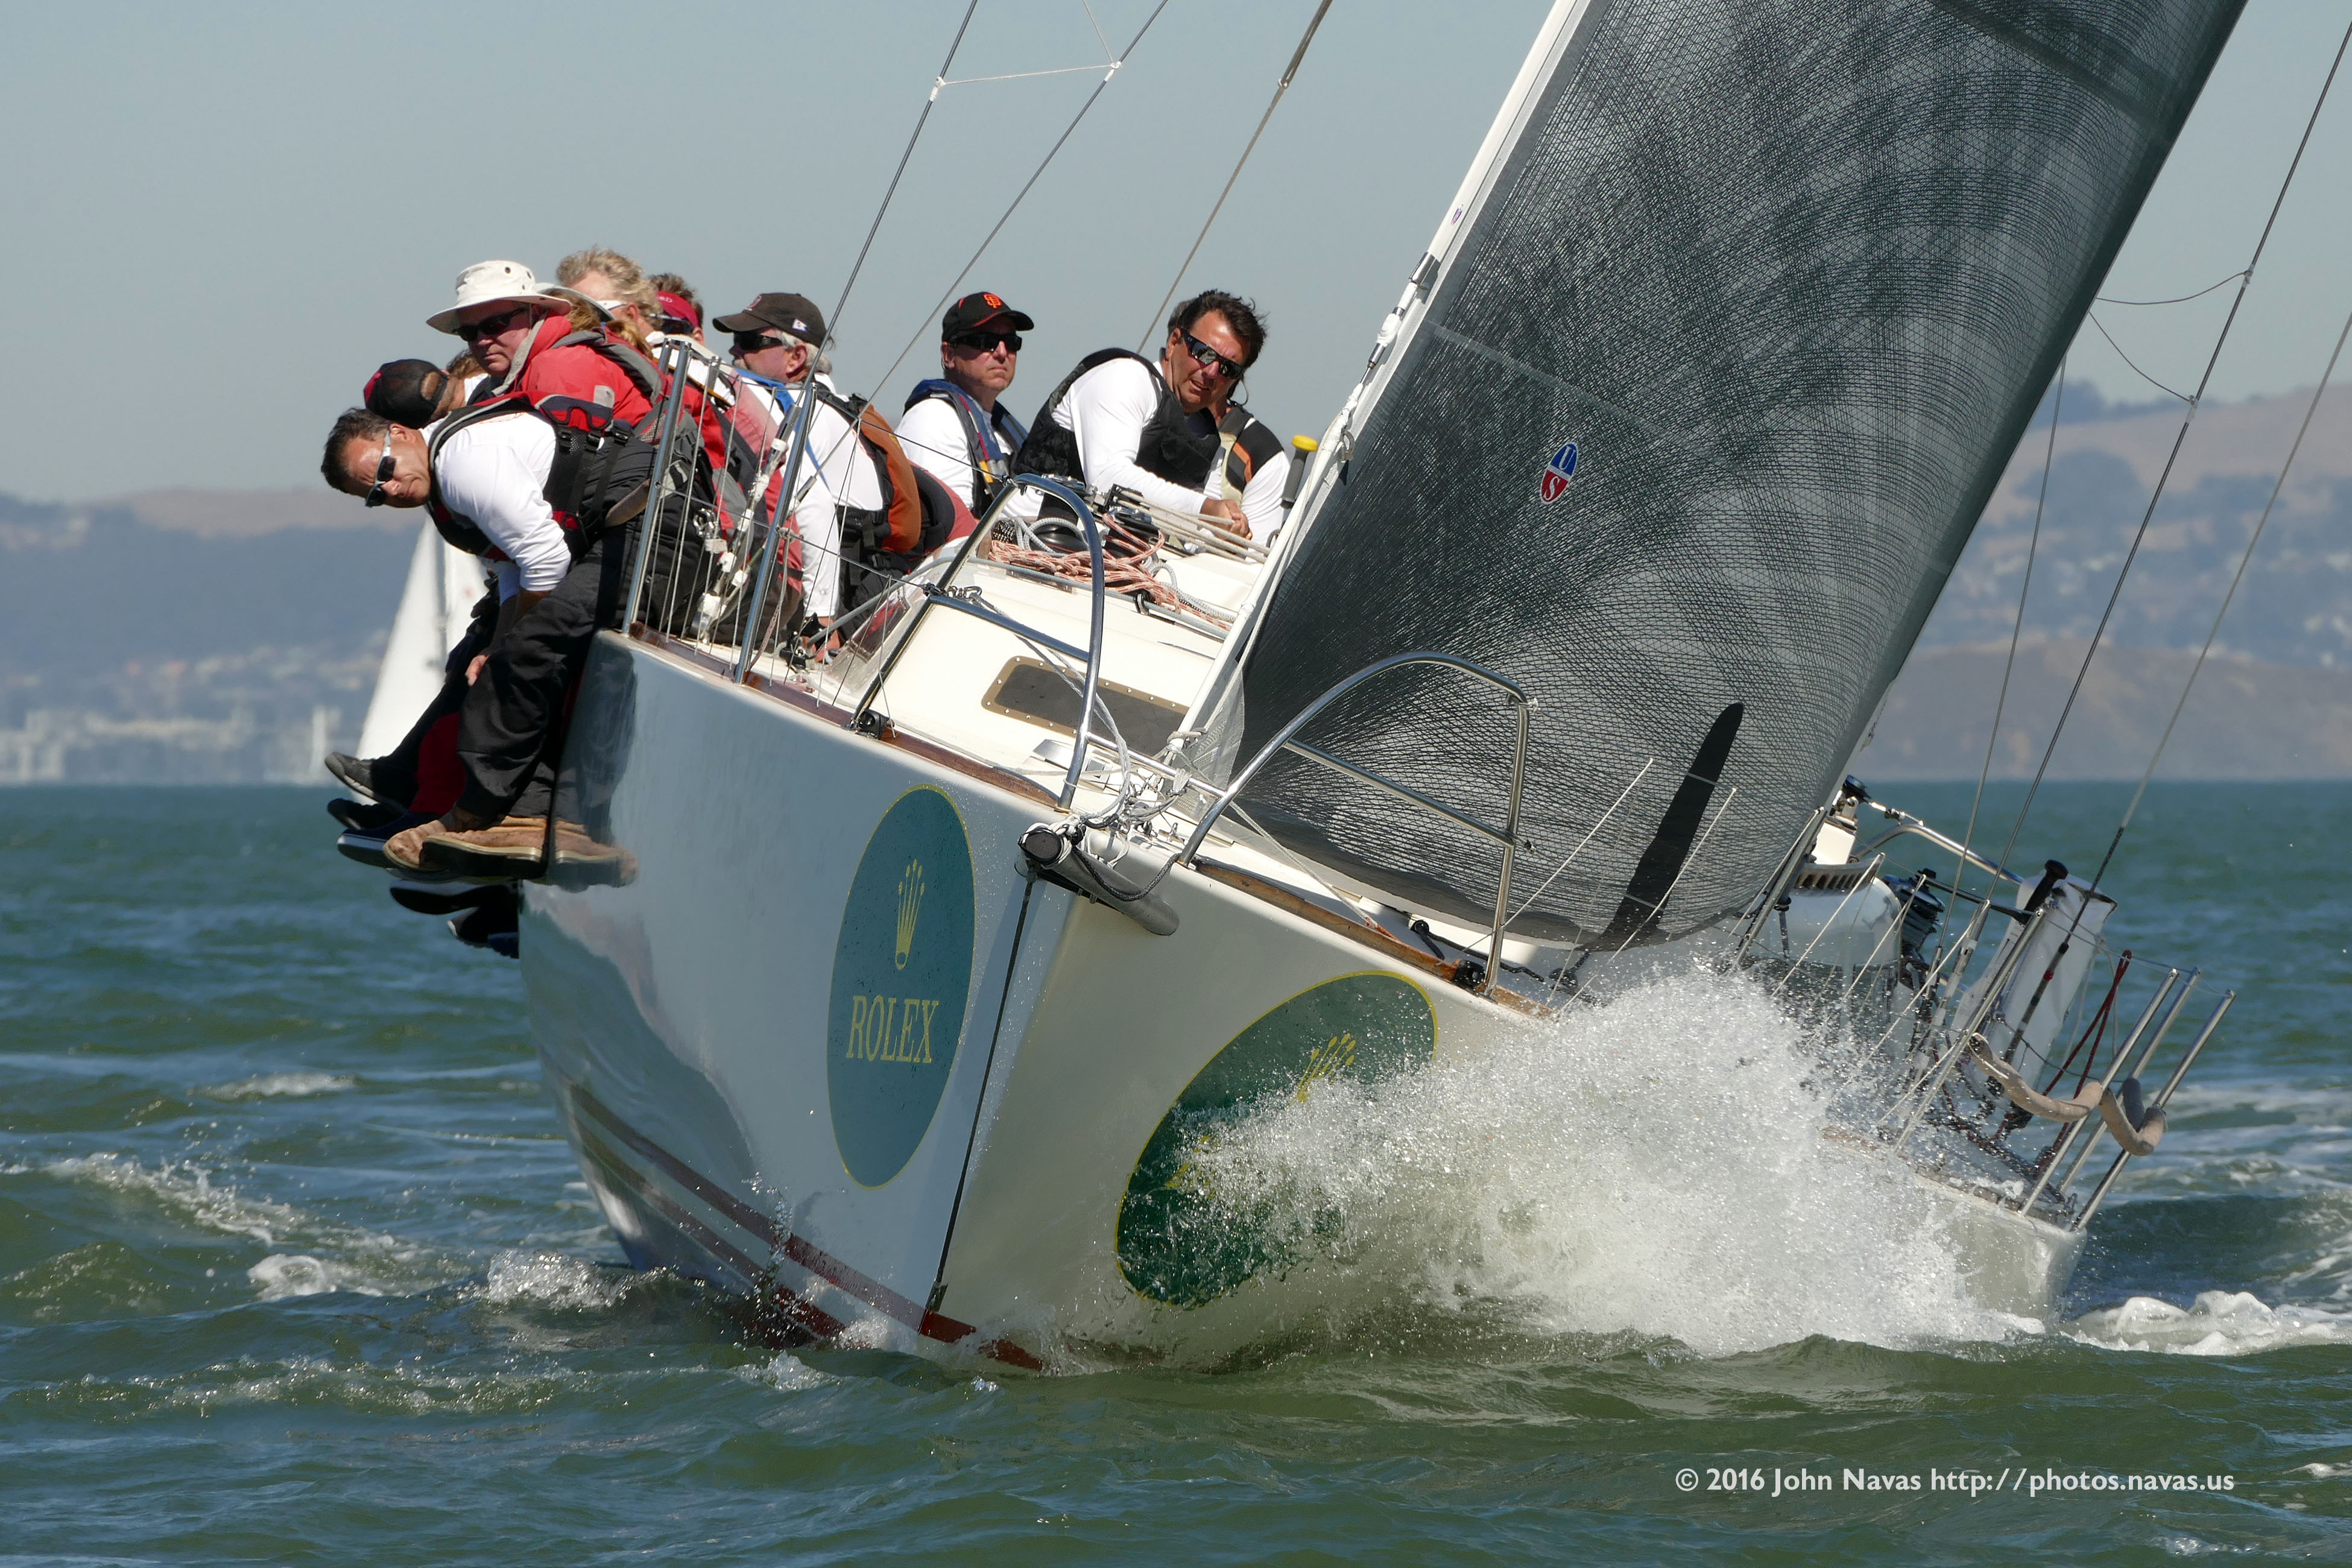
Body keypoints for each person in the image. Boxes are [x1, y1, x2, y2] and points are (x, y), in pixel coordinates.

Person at [317, 262, 670, 876]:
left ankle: (493, 815)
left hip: (652, 527)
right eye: (374, 495)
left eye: (384, 471)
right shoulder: (457, 454)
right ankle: (440, 799)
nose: (389, 489)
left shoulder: (469, 453)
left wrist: (508, 642)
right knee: (487, 656)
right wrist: (499, 639)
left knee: (525, 656)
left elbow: (544, 559)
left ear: (404, 432)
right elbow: (515, 568)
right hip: (618, 527)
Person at [715, 292, 938, 622]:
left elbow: (813, 505)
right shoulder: (832, 404)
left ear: (796, 357)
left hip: (844, 601)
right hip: (868, 586)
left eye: (750, 341)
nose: (735, 351)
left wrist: (820, 619)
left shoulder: (798, 410)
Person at [1013, 288, 1266, 531]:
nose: (1211, 372)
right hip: (1027, 536)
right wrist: (1205, 509)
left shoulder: (1207, 441)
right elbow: (1107, 478)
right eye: (1204, 353)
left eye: (1228, 368)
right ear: (1174, 342)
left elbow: (1204, 530)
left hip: (1107, 552)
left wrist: (1228, 527)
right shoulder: (1126, 378)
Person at [899, 292, 1033, 517]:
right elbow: (952, 528)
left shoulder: (1003, 428)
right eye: (986, 342)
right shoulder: (934, 418)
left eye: (1011, 343)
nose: (1002, 353)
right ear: (949, 355)